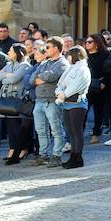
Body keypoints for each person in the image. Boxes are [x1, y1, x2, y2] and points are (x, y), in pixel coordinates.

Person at [30, 37, 68, 167]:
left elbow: (51, 76)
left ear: (56, 48)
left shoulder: (62, 63)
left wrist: (42, 78)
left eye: (48, 47)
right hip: (39, 100)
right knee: (40, 130)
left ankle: (56, 155)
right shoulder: (44, 63)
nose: (45, 50)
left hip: (52, 101)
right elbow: (31, 79)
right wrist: (42, 78)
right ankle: (43, 155)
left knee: (56, 130)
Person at [50, 46, 89, 168]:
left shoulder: (83, 69)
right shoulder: (70, 69)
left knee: (77, 131)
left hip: (77, 104)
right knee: (70, 131)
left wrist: (63, 94)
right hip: (66, 103)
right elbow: (60, 83)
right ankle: (73, 155)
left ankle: (77, 157)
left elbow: (77, 85)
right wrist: (59, 92)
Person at [0, 43, 33, 165]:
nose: (8, 53)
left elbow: (14, 79)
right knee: (10, 126)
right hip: (7, 98)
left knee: (17, 127)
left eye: (10, 51)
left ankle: (21, 149)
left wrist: (5, 78)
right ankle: (12, 149)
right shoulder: (8, 65)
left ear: (18, 53)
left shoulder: (24, 65)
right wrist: (7, 75)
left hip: (18, 100)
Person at [82, 35, 108, 145]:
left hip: (99, 86)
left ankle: (96, 133)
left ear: (97, 44)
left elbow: (108, 70)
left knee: (99, 111)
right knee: (83, 111)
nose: (87, 44)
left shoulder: (105, 55)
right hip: (85, 87)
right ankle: (79, 133)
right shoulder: (84, 55)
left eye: (90, 42)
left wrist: (104, 82)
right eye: (86, 42)